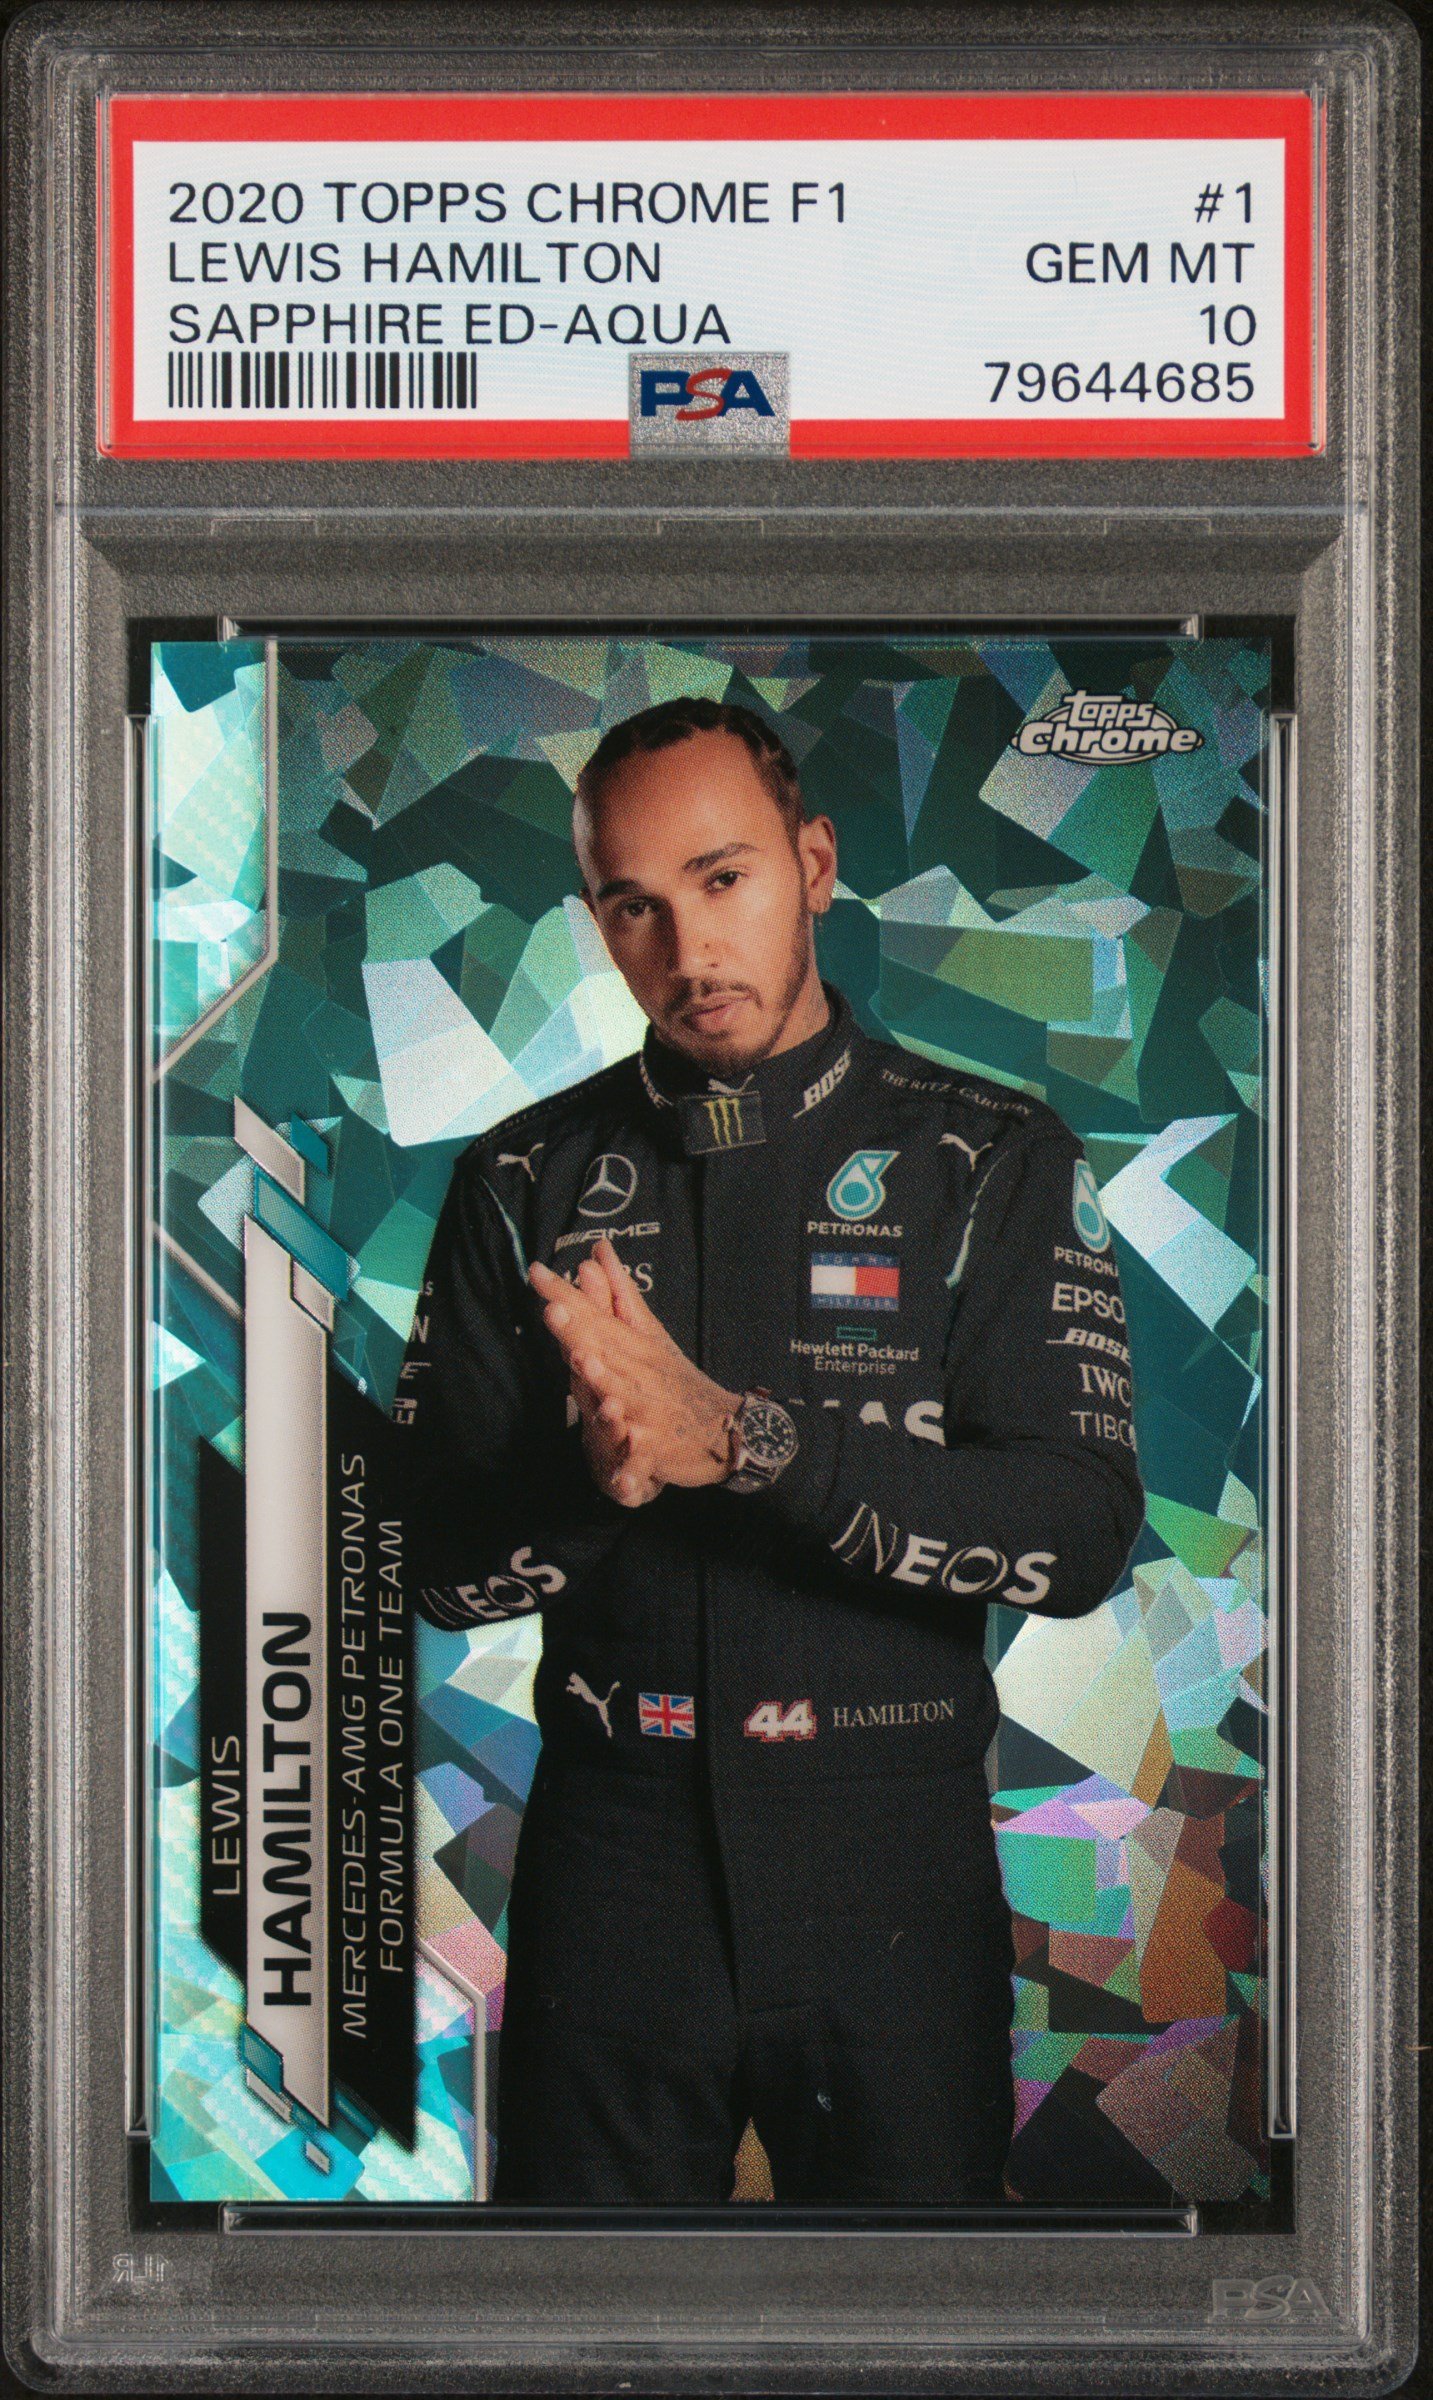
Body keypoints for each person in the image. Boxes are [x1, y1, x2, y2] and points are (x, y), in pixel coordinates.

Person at [396, 694, 1145, 2205]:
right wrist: (595, 1482)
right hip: (611, 1863)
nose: (687, 949)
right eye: (634, 906)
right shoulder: (519, 1179)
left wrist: (744, 1442)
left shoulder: (989, 1158)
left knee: (913, 2316)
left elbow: (1077, 1535)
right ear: (597, 924)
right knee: (583, 2316)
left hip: (891, 1857)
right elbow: (430, 1573)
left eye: (722, 878)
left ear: (813, 863)